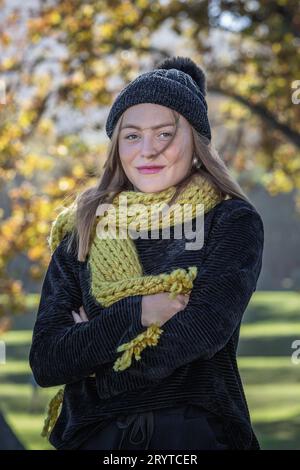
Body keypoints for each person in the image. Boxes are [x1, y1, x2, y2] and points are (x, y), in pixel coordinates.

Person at [29, 56, 264, 450]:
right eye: (133, 136)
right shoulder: (83, 230)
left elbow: (199, 334)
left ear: (195, 143)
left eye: (165, 134)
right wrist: (137, 312)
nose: (148, 150)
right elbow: (49, 360)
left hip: (194, 434)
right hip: (93, 439)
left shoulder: (230, 221)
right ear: (117, 146)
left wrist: (91, 363)